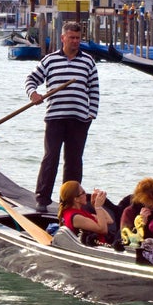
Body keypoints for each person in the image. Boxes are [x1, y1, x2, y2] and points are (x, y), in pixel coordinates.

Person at [25, 20, 99, 213]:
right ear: (63, 38)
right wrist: (33, 94)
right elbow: (31, 79)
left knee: (74, 161)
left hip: (80, 119)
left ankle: (69, 202)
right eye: (72, 38)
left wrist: (91, 114)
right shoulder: (49, 60)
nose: (75, 41)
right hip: (55, 118)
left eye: (78, 38)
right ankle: (42, 198)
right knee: (50, 158)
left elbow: (94, 89)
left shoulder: (88, 61)